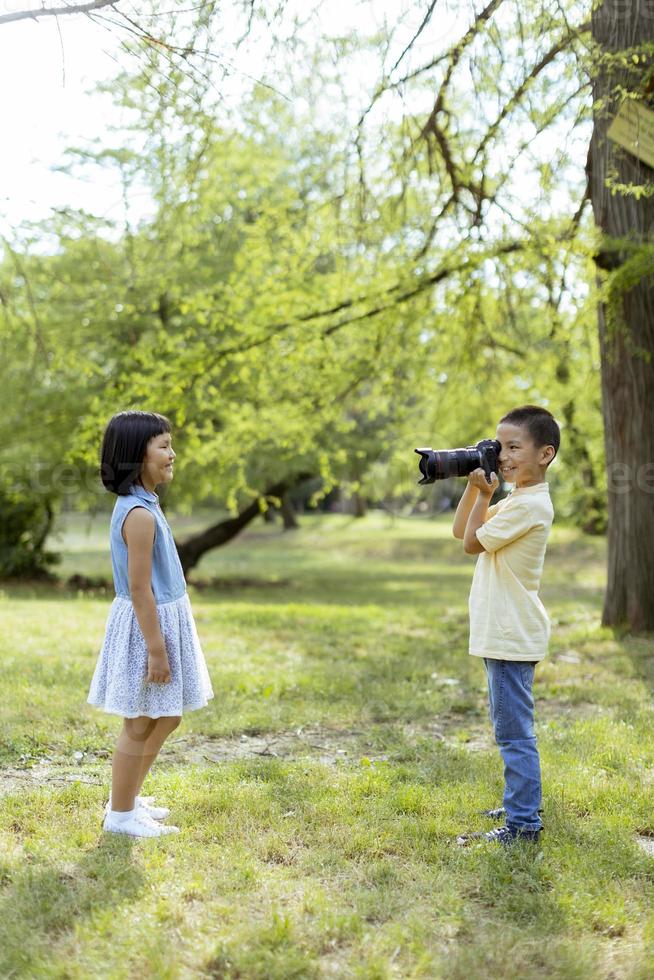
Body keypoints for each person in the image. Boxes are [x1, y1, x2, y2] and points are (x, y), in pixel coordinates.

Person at [88, 410, 214, 837]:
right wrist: (157, 650)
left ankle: (128, 799)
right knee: (140, 722)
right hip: (148, 629)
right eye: (163, 446)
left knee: (167, 716)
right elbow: (141, 590)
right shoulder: (137, 515)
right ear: (135, 456)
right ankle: (120, 816)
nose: (172, 453)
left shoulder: (146, 504)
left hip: (162, 620)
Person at [451, 405, 560, 847]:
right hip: (503, 632)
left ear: (545, 454)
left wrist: (483, 497)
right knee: (508, 728)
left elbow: (472, 545)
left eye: (515, 447)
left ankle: (522, 825)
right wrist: (474, 489)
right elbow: (463, 530)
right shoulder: (517, 499)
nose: (503, 456)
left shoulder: (531, 504)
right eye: (500, 447)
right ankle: (521, 802)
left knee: (514, 734)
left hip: (512, 633)